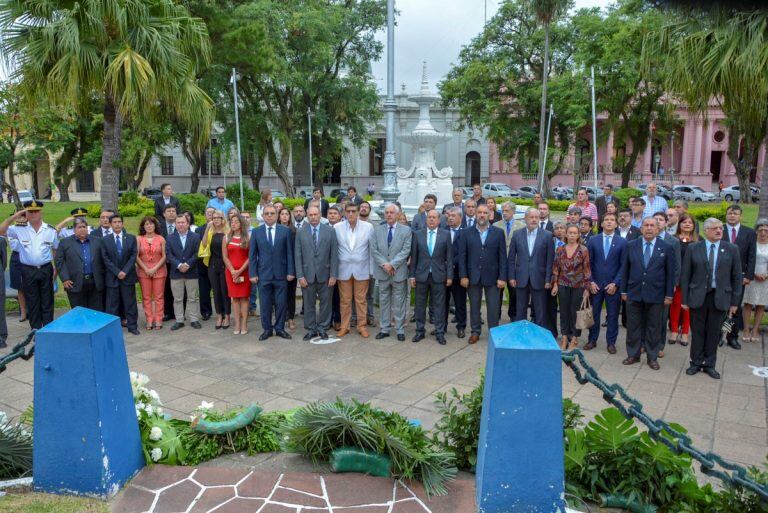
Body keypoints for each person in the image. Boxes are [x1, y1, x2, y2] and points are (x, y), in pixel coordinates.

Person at [681, 218, 742, 379]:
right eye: (714, 228)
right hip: (698, 296)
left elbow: (736, 277)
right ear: (706, 231)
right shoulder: (694, 248)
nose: (718, 231)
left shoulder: (731, 249)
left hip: (720, 296)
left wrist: (735, 302)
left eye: (720, 228)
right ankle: (695, 362)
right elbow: (686, 275)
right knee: (698, 332)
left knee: (714, 333)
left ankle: (710, 364)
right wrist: (684, 300)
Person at [620, 217, 675, 370]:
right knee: (633, 326)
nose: (649, 228)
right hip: (633, 293)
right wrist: (623, 290)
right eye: (646, 225)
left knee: (653, 327)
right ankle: (633, 354)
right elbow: (625, 270)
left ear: (658, 229)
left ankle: (652, 357)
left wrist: (669, 295)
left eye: (652, 226)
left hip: (656, 295)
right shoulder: (631, 245)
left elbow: (670, 274)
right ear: (641, 228)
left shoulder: (666, 247)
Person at [0, 201, 59, 329]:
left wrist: (56, 268)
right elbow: (1, 230)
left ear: (41, 212)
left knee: (47, 300)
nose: (33, 214)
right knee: (32, 301)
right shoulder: (18, 229)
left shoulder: (50, 230)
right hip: (28, 270)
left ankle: (48, 329)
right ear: (26, 212)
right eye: (30, 211)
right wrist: (15, 216)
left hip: (45, 269)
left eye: (36, 211)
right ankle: (36, 329)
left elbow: (55, 250)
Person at [459, 204, 507, 344]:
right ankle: (475, 331)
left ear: (489, 215)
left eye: (485, 213)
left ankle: (494, 333)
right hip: (473, 276)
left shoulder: (498, 233)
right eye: (479, 212)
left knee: (493, 307)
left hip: (492, 277)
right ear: (475, 214)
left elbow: (502, 257)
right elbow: (462, 256)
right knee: (474, 306)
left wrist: (502, 277)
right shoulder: (466, 233)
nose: (481, 215)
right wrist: (463, 275)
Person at [250, 205, 295, 340]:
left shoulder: (285, 231)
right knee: (265, 304)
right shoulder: (256, 232)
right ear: (263, 216)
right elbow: (252, 255)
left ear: (276, 215)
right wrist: (252, 273)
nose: (269, 216)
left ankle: (280, 328)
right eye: (267, 213)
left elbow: (289, 253)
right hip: (263, 275)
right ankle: (267, 329)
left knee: (281, 303)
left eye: (272, 213)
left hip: (281, 274)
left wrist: (291, 271)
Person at [295, 206, 338, 340]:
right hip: (307, 275)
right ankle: (311, 327)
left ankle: (323, 327)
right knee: (308, 303)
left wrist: (333, 275)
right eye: (310, 215)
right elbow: (298, 255)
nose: (313, 217)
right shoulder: (301, 232)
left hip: (325, 275)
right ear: (307, 216)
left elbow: (334, 255)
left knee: (326, 303)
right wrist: (300, 275)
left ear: (320, 215)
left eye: (315, 214)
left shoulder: (330, 231)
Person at [586, 213, 626, 354]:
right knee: (594, 314)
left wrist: (615, 283)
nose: (609, 222)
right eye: (606, 220)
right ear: (601, 224)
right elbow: (588, 264)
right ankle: (592, 340)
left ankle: (611, 343)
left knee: (613, 315)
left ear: (616, 224)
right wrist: (590, 281)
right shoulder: (593, 240)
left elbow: (623, 266)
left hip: (612, 287)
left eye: (612, 220)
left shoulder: (622, 242)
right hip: (595, 285)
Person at [410, 209, 452, 345]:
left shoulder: (445, 235)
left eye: (434, 217)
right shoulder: (417, 234)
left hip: (439, 276)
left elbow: (449, 258)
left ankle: (439, 332)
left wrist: (449, 276)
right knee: (420, 305)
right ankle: (420, 331)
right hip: (421, 275)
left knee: (439, 306)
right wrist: (412, 276)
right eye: (429, 217)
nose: (432, 219)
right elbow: (414, 257)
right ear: (426, 220)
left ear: (439, 220)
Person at [370, 203, 411, 341]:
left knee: (399, 301)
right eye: (386, 212)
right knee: (384, 301)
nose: (388, 214)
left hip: (398, 272)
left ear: (398, 214)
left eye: (391, 212)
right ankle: (385, 328)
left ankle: (399, 329)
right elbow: (374, 250)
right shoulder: (377, 230)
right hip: (382, 272)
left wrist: (392, 265)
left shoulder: (406, 230)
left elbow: (405, 250)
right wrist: (385, 265)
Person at [508, 208, 554, 327]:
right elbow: (512, 258)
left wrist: (548, 279)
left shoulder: (547, 235)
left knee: (540, 311)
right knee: (520, 309)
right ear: (525, 219)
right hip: (520, 277)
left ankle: (539, 336)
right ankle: (520, 335)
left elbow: (550, 260)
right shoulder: (517, 234)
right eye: (531, 217)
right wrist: (511, 277)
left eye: (536, 217)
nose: (534, 220)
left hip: (540, 278)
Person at [334, 203, 374, 338]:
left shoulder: (368, 227)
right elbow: (334, 250)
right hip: (343, 270)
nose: (351, 214)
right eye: (348, 211)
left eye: (353, 211)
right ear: (344, 213)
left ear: (358, 212)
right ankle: (345, 326)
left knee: (361, 300)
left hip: (362, 269)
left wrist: (371, 270)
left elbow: (371, 249)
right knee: (345, 300)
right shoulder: (337, 227)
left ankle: (361, 326)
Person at [551, 223, 592, 350]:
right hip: (563, 284)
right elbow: (556, 268)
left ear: (578, 235)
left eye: (575, 233)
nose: (572, 235)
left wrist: (586, 288)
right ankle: (564, 338)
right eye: (570, 233)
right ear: (566, 234)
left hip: (578, 285)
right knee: (563, 312)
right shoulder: (560, 249)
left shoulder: (583, 250)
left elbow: (587, 270)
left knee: (575, 313)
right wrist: (555, 284)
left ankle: (574, 338)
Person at [723, 204, 756, 350]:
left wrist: (748, 276)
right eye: (730, 213)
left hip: (739, 278)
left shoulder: (749, 233)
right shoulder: (719, 230)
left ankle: (732, 337)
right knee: (720, 308)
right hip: (720, 277)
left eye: (735, 213)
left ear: (740, 216)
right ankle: (718, 336)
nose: (732, 216)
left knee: (735, 308)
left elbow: (751, 256)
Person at [101, 214, 139, 335]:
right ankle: (112, 329)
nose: (117, 224)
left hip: (128, 277)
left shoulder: (131, 238)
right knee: (112, 304)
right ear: (111, 224)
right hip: (113, 277)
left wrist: (125, 271)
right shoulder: (105, 240)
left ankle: (132, 326)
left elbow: (133, 256)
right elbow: (105, 258)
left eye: (119, 222)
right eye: (115, 222)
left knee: (130, 303)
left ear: (122, 224)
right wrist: (117, 272)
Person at [55, 217, 105, 311]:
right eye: (79, 227)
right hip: (75, 283)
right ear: (74, 230)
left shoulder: (98, 241)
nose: (82, 229)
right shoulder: (65, 243)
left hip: (95, 282)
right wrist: (65, 278)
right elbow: (59, 261)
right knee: (79, 311)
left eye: (84, 227)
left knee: (96, 311)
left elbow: (104, 259)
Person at [166, 215, 202, 330]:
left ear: (188, 223)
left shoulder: (196, 237)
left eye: (183, 222)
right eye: (178, 222)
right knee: (177, 298)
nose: (180, 224)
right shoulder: (170, 238)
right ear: (175, 224)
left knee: (193, 298)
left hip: (191, 272)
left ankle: (194, 319)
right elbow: (168, 254)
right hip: (176, 273)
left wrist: (188, 264)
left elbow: (197, 253)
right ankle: (179, 320)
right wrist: (179, 265)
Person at [654, 211, 681, 357]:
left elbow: (676, 265)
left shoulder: (673, 241)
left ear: (666, 223)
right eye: (655, 219)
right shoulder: (645, 238)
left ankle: (659, 346)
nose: (658, 222)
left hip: (665, 285)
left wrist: (673, 284)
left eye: (661, 220)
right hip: (649, 284)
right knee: (647, 316)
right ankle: (645, 343)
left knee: (662, 317)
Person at [669, 213, 698, 347]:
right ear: (679, 224)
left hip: (692, 279)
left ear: (693, 226)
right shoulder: (673, 239)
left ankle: (685, 332)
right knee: (675, 305)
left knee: (687, 307)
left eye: (690, 223)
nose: (687, 224)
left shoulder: (699, 240)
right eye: (684, 222)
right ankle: (674, 330)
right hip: (678, 278)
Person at [136, 216, 167, 330]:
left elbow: (164, 256)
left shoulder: (161, 239)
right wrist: (146, 269)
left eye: (151, 224)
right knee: (146, 297)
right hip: (144, 272)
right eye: (146, 224)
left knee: (159, 297)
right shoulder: (138, 239)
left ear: (155, 225)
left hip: (159, 271)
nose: (149, 226)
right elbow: (136, 256)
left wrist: (154, 269)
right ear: (143, 227)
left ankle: (159, 319)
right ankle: (149, 319)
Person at [223, 214, 252, 335]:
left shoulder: (248, 238)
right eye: (232, 222)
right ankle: (237, 323)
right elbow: (225, 256)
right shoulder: (226, 238)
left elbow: (250, 256)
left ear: (241, 223)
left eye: (236, 221)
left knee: (244, 298)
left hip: (244, 272)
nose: (233, 223)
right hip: (231, 272)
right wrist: (232, 270)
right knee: (234, 298)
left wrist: (240, 271)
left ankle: (244, 323)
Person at [202, 210, 230, 329]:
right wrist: (207, 229)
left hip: (225, 265)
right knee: (216, 291)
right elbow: (203, 244)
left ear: (222, 218)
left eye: (218, 217)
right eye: (214, 218)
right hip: (212, 265)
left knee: (225, 291)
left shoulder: (227, 231)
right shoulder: (211, 231)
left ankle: (227, 315)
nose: (216, 219)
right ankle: (219, 315)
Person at [742, 218, 768, 342]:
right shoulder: (751, 242)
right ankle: (746, 329)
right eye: (760, 230)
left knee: (760, 305)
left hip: (765, 279)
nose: (763, 233)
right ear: (756, 231)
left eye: (766, 230)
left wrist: (766, 275)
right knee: (748, 303)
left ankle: (755, 329)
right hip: (751, 277)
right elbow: (746, 259)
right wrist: (753, 273)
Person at [444, 207, 467, 338]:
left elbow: (465, 253)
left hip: (459, 273)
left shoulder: (466, 232)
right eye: (449, 215)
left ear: (460, 217)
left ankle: (461, 327)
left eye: (453, 215)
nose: (450, 218)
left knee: (460, 302)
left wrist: (451, 263)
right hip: (443, 274)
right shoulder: (443, 231)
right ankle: (442, 327)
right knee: (442, 302)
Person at [494, 202, 517, 322]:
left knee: (514, 294)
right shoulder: (496, 226)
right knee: (497, 294)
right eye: (503, 211)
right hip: (499, 266)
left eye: (507, 211)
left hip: (515, 266)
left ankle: (513, 316)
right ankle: (495, 317)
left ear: (513, 212)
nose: (504, 213)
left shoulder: (521, 226)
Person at [278, 207, 298, 330]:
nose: (285, 216)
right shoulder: (274, 230)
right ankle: (281, 318)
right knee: (279, 296)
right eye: (282, 214)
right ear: (279, 216)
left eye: (287, 214)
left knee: (291, 294)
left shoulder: (294, 231)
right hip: (278, 268)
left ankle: (290, 318)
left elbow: (295, 251)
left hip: (291, 267)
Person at [158, 204, 179, 322]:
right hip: (163, 262)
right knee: (165, 288)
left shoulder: (181, 226)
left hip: (178, 262)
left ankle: (179, 313)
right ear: (164, 214)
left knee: (179, 288)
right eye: (168, 211)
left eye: (173, 211)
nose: (171, 213)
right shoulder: (159, 227)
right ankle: (168, 312)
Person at [195, 208, 214, 321]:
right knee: (204, 290)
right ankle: (206, 312)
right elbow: (200, 247)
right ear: (205, 215)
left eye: (213, 213)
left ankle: (222, 312)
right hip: (203, 264)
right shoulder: (199, 230)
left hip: (217, 263)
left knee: (219, 290)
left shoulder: (222, 229)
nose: (211, 215)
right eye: (208, 213)